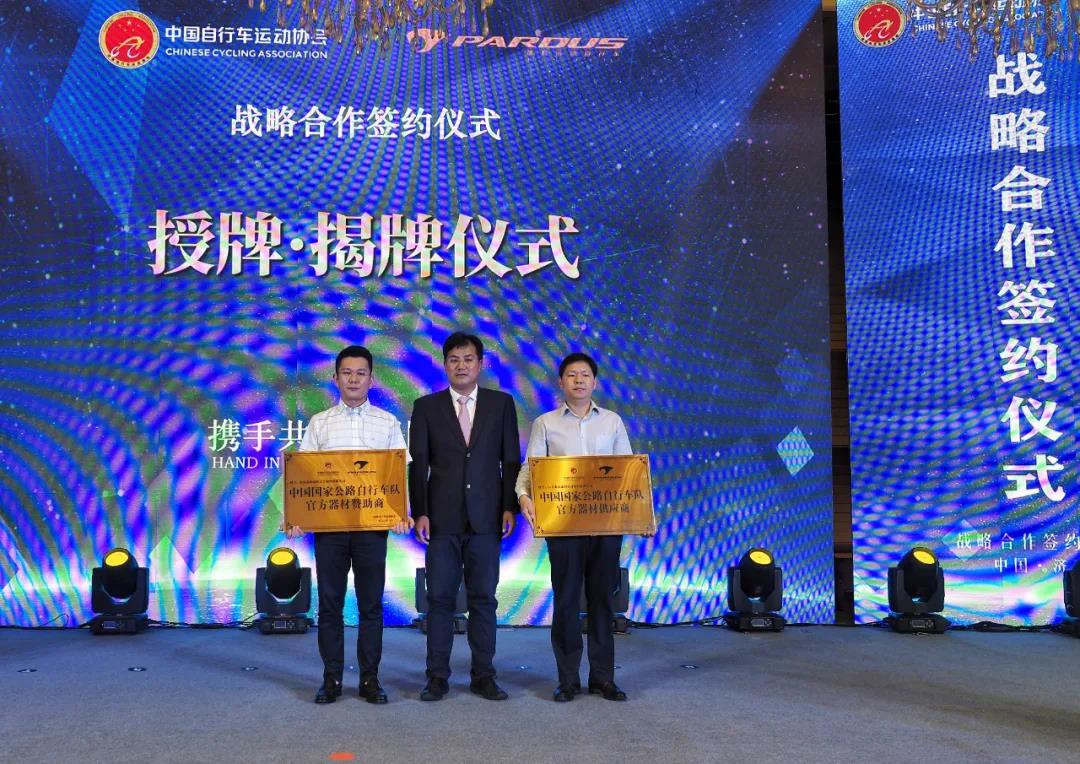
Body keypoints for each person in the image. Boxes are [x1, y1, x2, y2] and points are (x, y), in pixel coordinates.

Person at [285, 345, 412, 705]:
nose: (353, 379)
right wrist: (297, 517)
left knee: (371, 605)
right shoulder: (320, 423)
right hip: (331, 530)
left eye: (360, 373)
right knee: (330, 605)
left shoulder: (387, 422)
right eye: (347, 373)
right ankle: (332, 680)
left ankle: (370, 679)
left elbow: (397, 475)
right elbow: (304, 477)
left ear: (371, 379)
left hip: (372, 528)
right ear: (335, 378)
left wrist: (401, 513)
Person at [408, 332, 521, 701]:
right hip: (441, 519)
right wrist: (420, 511)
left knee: (483, 599)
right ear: (444, 365)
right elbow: (418, 465)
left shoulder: (501, 404)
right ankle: (436, 677)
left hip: (487, 517)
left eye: (468, 359)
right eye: (454, 359)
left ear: (480, 364)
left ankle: (483, 676)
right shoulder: (426, 407)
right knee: (439, 600)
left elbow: (510, 460)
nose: (461, 365)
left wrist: (509, 506)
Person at [516, 352, 633, 702]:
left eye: (584, 375)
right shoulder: (546, 423)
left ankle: (603, 678)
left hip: (605, 525)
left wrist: (641, 515)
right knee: (566, 600)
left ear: (594, 382)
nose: (578, 380)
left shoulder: (612, 422)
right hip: (563, 526)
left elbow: (629, 472)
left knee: (602, 601)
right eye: (571, 375)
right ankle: (567, 679)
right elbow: (531, 468)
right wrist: (523, 495)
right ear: (561, 382)